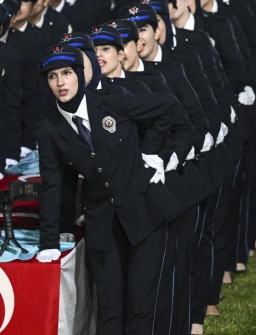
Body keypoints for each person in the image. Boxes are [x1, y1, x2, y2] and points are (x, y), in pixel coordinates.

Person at [35, 43, 180, 334]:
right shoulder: (48, 129)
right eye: (52, 76)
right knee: (110, 309)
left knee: (140, 305)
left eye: (66, 72)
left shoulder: (112, 100)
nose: (60, 82)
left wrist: (151, 154)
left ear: (79, 72)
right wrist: (48, 241)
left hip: (143, 215)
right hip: (102, 223)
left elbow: (168, 106)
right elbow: (52, 187)